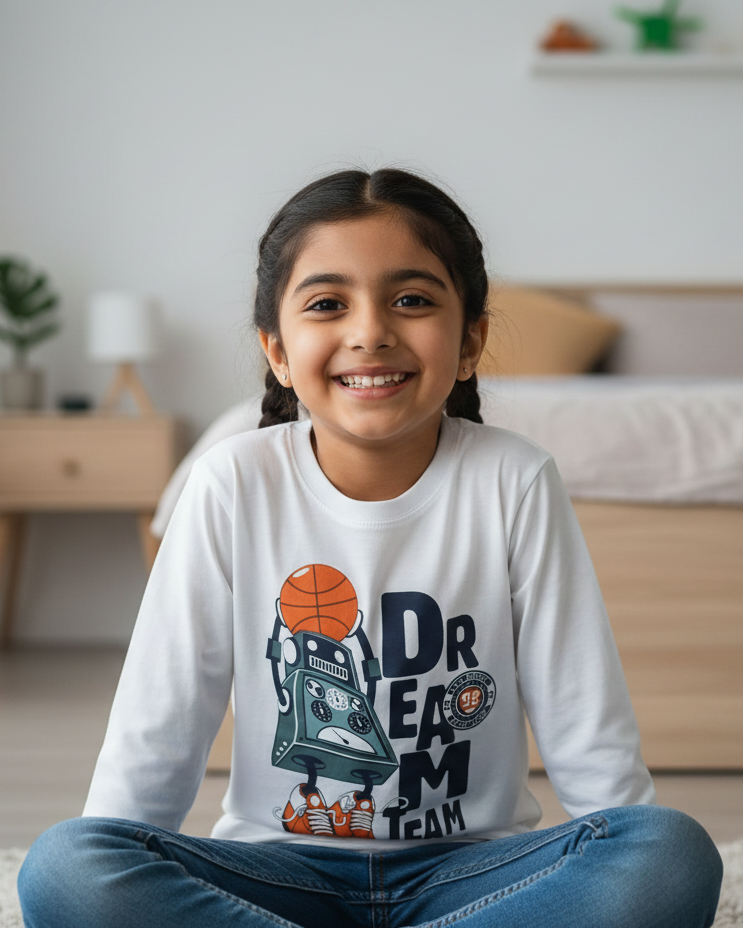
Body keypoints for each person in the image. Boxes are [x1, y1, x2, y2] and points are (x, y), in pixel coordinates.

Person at [19, 168, 722, 928]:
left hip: (471, 874)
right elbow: (156, 728)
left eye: (412, 299)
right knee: (67, 866)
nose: (370, 331)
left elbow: (587, 724)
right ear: (278, 351)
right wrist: (111, 850)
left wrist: (617, 848)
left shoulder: (513, 478)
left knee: (669, 852)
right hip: (276, 871)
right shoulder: (231, 481)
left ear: (470, 339)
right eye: (327, 304)